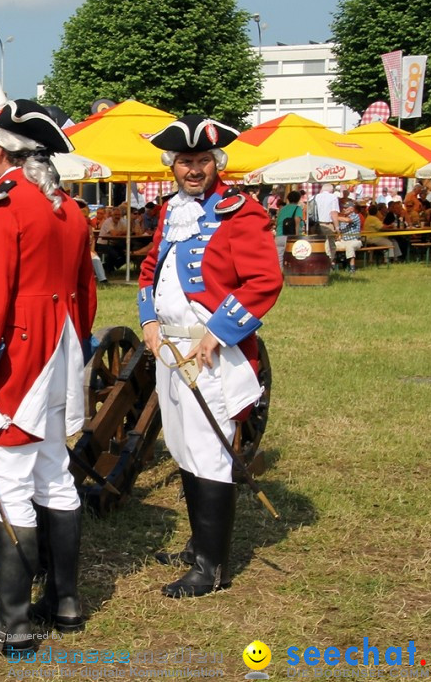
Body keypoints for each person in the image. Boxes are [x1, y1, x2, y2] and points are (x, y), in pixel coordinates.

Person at [0, 99, 96, 655]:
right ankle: (64, 600)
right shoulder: (71, 210)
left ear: (2, 149)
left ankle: (12, 622)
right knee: (55, 474)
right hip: (61, 352)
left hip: (18, 360)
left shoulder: (3, 203)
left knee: (8, 486)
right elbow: (86, 295)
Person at [139, 115, 282, 598]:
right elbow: (148, 270)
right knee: (182, 446)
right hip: (171, 346)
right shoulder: (169, 211)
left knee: (213, 450)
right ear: (172, 166)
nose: (193, 170)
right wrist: (149, 321)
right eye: (184, 161)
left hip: (211, 350)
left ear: (216, 162)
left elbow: (264, 280)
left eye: (202, 161)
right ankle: (202, 544)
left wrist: (218, 332)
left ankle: (211, 568)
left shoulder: (240, 211)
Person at [275, 189, 305, 265]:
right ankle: (290, 275)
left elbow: (277, 222)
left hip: (279, 235)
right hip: (290, 237)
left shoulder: (282, 209)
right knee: (292, 258)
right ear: (298, 199)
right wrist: (297, 235)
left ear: (288, 199)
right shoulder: (297, 208)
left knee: (279, 259)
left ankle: (280, 275)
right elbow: (297, 220)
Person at [313, 183, 341, 256]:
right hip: (327, 224)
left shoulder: (314, 197)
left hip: (315, 225)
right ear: (331, 190)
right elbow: (333, 213)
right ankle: (330, 262)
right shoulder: (333, 197)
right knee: (330, 245)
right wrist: (337, 228)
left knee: (318, 244)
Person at [335, 198, 363, 272]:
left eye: (345, 207)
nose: (343, 209)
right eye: (343, 207)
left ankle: (352, 268)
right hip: (343, 241)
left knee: (350, 246)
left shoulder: (356, 216)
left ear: (351, 209)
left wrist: (334, 217)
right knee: (330, 245)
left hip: (355, 240)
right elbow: (339, 230)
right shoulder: (342, 218)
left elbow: (348, 220)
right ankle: (331, 265)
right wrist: (338, 235)